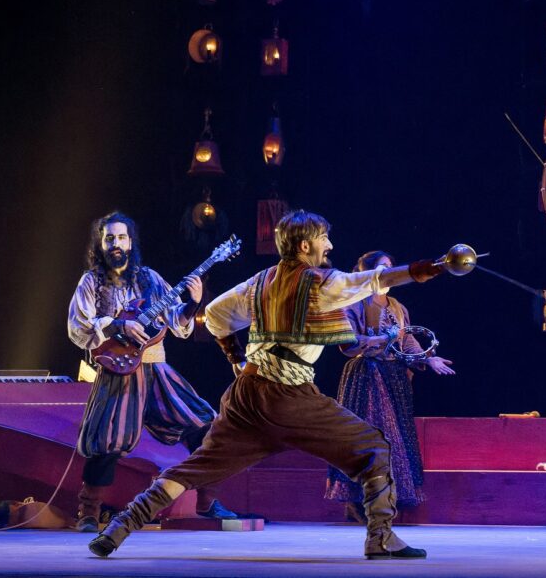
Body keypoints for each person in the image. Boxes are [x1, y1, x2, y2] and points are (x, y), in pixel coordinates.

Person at [89, 209, 463, 560]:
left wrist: (236, 358)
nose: (330, 245)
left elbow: (215, 315)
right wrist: (435, 266)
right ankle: (380, 537)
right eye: (324, 238)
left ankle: (121, 526)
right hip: (289, 396)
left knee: (197, 467)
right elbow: (377, 279)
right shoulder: (321, 283)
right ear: (305, 245)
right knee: (374, 447)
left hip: (247, 394)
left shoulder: (260, 281)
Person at [68, 212, 236, 533]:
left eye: (121, 237)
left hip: (156, 369)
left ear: (130, 242)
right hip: (117, 370)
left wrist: (193, 303)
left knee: (205, 426)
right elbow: (79, 326)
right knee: (107, 440)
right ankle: (88, 513)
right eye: (109, 238)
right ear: (100, 244)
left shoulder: (150, 279)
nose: (115, 244)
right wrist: (119, 325)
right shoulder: (92, 282)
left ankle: (207, 502)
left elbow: (176, 321)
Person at [326, 250, 454, 521]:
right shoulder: (354, 304)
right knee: (371, 434)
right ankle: (359, 501)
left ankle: (387, 500)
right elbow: (347, 342)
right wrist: (381, 339)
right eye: (382, 268)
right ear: (368, 272)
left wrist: (428, 358)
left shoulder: (397, 306)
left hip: (394, 377)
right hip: (367, 376)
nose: (388, 272)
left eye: (390, 267)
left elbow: (406, 341)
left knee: (395, 438)